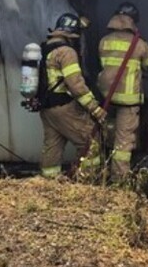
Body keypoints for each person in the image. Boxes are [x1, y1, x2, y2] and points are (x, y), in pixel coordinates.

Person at [38, 12, 106, 179]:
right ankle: (87, 182)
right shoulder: (66, 52)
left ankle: (49, 183)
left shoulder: (46, 48)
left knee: (52, 146)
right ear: (73, 33)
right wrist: (95, 109)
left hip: (47, 109)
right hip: (64, 107)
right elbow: (76, 85)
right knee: (91, 142)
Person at [97, 2, 148, 179]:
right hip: (128, 100)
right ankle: (120, 180)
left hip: (106, 97)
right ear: (133, 21)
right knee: (123, 141)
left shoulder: (104, 42)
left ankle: (102, 170)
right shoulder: (139, 44)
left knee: (106, 132)